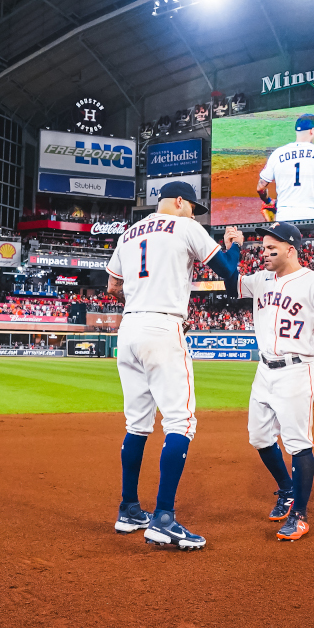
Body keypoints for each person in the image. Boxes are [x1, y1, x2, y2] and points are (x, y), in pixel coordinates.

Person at [105, 180, 240, 550]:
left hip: (128, 327)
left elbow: (113, 287)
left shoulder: (129, 232)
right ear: (179, 201)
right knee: (180, 421)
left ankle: (129, 509)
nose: (194, 213)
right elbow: (228, 271)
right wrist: (235, 247)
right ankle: (163, 518)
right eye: (192, 206)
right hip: (163, 325)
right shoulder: (186, 226)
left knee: (137, 423)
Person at [221, 221, 314, 541]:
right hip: (264, 371)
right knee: (259, 438)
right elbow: (229, 282)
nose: (263, 253)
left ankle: (300, 516)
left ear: (290, 249)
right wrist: (233, 246)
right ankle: (286, 489)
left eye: (270, 248)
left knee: (298, 443)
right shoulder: (260, 280)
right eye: (262, 248)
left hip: (296, 369)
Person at [255, 114, 314, 222]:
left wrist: (268, 201)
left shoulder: (277, 153)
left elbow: (260, 187)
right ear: (312, 131)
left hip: (283, 215)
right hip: (308, 215)